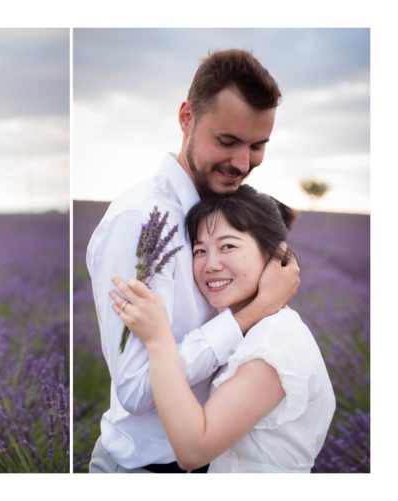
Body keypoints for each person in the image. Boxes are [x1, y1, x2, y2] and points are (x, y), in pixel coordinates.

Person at [85, 49, 301, 473]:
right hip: (146, 469)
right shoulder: (142, 221)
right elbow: (136, 388)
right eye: (227, 141)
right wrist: (252, 314)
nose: (242, 163)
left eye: (257, 146)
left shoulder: (222, 213)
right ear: (187, 117)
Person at [111, 185, 335, 472]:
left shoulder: (275, 341)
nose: (210, 265)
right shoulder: (239, 326)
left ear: (273, 253)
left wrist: (158, 340)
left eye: (228, 246)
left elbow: (193, 450)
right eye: (200, 250)